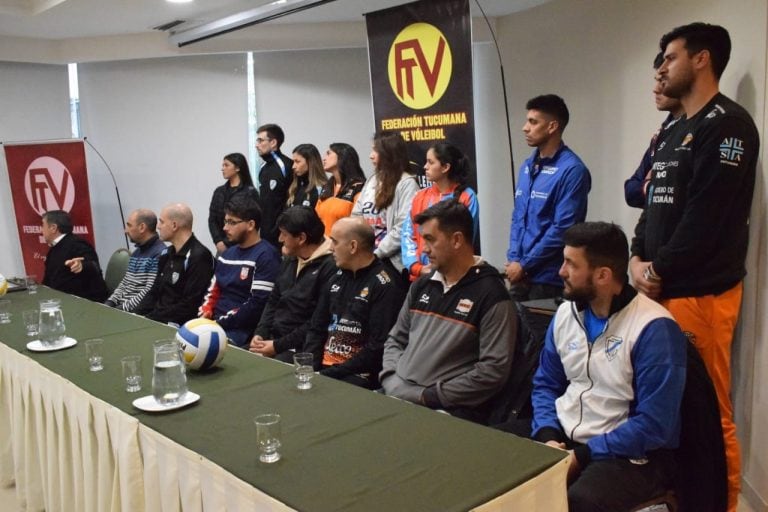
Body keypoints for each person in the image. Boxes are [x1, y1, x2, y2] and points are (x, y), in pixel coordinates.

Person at [630, 23, 759, 511]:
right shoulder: (673, 127)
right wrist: (636, 257)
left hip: (700, 294)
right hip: (660, 290)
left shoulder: (727, 124)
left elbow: (708, 214)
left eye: (670, 56)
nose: (662, 67)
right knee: (667, 409)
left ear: (702, 59)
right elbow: (651, 204)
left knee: (709, 411)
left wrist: (657, 269)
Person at [531, 222, 686, 512]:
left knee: (579, 502)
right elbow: (546, 384)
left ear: (603, 275)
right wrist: (547, 435)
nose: (560, 271)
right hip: (565, 437)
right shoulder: (566, 313)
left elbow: (655, 425)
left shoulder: (654, 329)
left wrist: (584, 455)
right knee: (493, 457)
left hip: (631, 453)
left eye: (570, 264)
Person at [381, 201, 515, 424]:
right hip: (397, 393)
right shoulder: (421, 285)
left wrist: (429, 396)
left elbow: (492, 372)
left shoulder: (492, 294)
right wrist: (391, 379)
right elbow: (395, 339)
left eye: (430, 240)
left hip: (444, 411)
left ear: (456, 240)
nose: (423, 249)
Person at [505, 94, 591, 302]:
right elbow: (518, 218)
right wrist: (514, 259)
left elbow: (563, 228)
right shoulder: (527, 166)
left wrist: (524, 264)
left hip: (550, 279)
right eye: (527, 121)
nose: (525, 127)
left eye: (533, 122)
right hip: (518, 276)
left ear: (552, 126)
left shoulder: (572, 170)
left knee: (543, 334)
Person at [304, 217, 406, 389]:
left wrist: (326, 374)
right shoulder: (335, 277)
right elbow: (316, 327)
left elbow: (377, 348)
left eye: (335, 242)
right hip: (325, 369)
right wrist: (311, 367)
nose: (330, 248)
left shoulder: (385, 285)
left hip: (358, 375)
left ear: (353, 246)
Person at [249, 206, 337, 361]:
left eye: (284, 234)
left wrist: (277, 346)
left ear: (301, 238)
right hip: (273, 340)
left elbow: (316, 321)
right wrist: (260, 333)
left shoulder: (331, 267)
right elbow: (273, 300)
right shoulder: (291, 258)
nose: (280, 239)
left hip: (300, 349)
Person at [199, 197, 280, 348]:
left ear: (250, 225)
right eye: (225, 222)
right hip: (213, 324)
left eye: (232, 222)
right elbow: (213, 290)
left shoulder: (266, 255)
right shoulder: (227, 254)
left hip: (241, 331)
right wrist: (206, 311)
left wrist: (218, 323)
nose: (225, 228)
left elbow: (257, 304)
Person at [401, 141, 479, 281]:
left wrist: (438, 268)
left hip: (455, 276)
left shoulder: (467, 196)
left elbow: (464, 240)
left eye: (431, 162)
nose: (425, 167)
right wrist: (417, 267)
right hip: (421, 277)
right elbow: (408, 234)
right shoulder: (420, 196)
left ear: (445, 167)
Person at [134, 203, 214, 326]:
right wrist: (137, 314)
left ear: (174, 225)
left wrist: (152, 318)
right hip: (156, 319)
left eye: (161, 222)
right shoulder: (166, 253)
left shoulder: (199, 256)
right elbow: (154, 291)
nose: (158, 227)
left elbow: (190, 305)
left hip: (179, 326)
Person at [352, 131, 419, 274]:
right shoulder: (372, 180)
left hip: (391, 262)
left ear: (389, 153)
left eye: (376, 150)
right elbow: (356, 215)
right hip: (365, 256)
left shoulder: (406, 183)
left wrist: (376, 254)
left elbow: (403, 227)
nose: (371, 155)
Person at [624, 53, 685, 208]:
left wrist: (652, 185)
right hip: (652, 228)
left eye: (663, 82)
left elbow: (681, 193)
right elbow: (630, 191)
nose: (656, 89)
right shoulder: (663, 133)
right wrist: (648, 186)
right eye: (657, 81)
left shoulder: (703, 127)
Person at [105, 208, 166, 312]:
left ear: (142, 227)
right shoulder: (137, 252)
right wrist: (110, 303)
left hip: (135, 313)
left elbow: (149, 292)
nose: (125, 230)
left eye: (129, 225)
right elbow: (125, 283)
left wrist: (120, 309)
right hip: (122, 309)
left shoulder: (160, 254)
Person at [40, 209, 108, 302]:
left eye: (43, 225)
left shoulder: (77, 243)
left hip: (86, 302)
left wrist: (82, 265)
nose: (41, 230)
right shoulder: (54, 248)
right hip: (61, 299)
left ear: (53, 228)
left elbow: (93, 265)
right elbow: (49, 279)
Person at [208, 152, 260, 256]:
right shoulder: (219, 191)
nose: (222, 169)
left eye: (226, 165)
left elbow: (254, 222)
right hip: (221, 246)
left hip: (243, 245)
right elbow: (212, 219)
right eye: (222, 165)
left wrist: (227, 243)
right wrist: (218, 241)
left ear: (237, 168)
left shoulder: (250, 192)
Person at [315, 143, 366, 236]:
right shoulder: (327, 187)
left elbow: (359, 223)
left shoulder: (358, 187)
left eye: (328, 153)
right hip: (323, 245)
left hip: (345, 244)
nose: (324, 158)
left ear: (342, 156)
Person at [255, 123, 294, 247]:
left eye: (260, 141)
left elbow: (291, 200)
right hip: (264, 234)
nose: (256, 145)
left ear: (273, 143)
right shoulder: (262, 167)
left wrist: (282, 229)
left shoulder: (287, 165)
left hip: (282, 234)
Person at [287, 143, 327, 208]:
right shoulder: (294, 187)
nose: (293, 166)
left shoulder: (322, 188)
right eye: (293, 162)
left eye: (297, 162)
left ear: (310, 162)